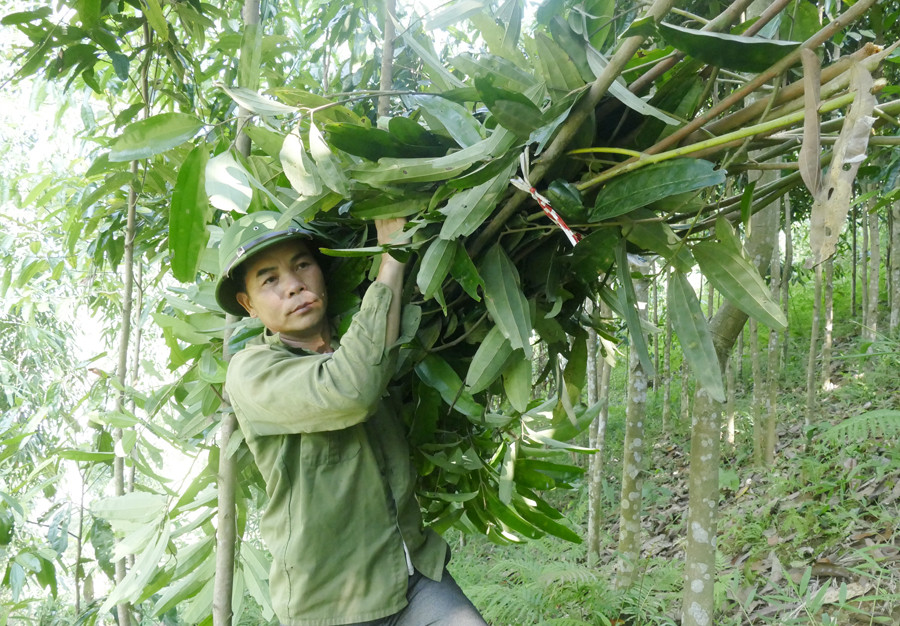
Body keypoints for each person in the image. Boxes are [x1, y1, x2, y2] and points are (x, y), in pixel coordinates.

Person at [214, 211, 487, 626]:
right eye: (269, 280)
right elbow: (352, 390)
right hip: (334, 605)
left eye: (302, 265)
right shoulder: (252, 373)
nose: (293, 285)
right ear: (248, 304)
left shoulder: (362, 339)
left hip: (415, 573)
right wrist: (391, 256)